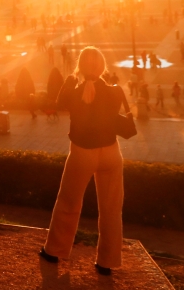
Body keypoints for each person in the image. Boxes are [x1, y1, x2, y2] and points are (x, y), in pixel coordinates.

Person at [41, 46, 129, 275]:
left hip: (82, 153)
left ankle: (54, 251)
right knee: (111, 209)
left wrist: (71, 78)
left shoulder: (73, 90)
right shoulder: (114, 91)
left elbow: (58, 104)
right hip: (111, 152)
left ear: (80, 65)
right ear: (102, 67)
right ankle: (107, 262)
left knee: (69, 203)